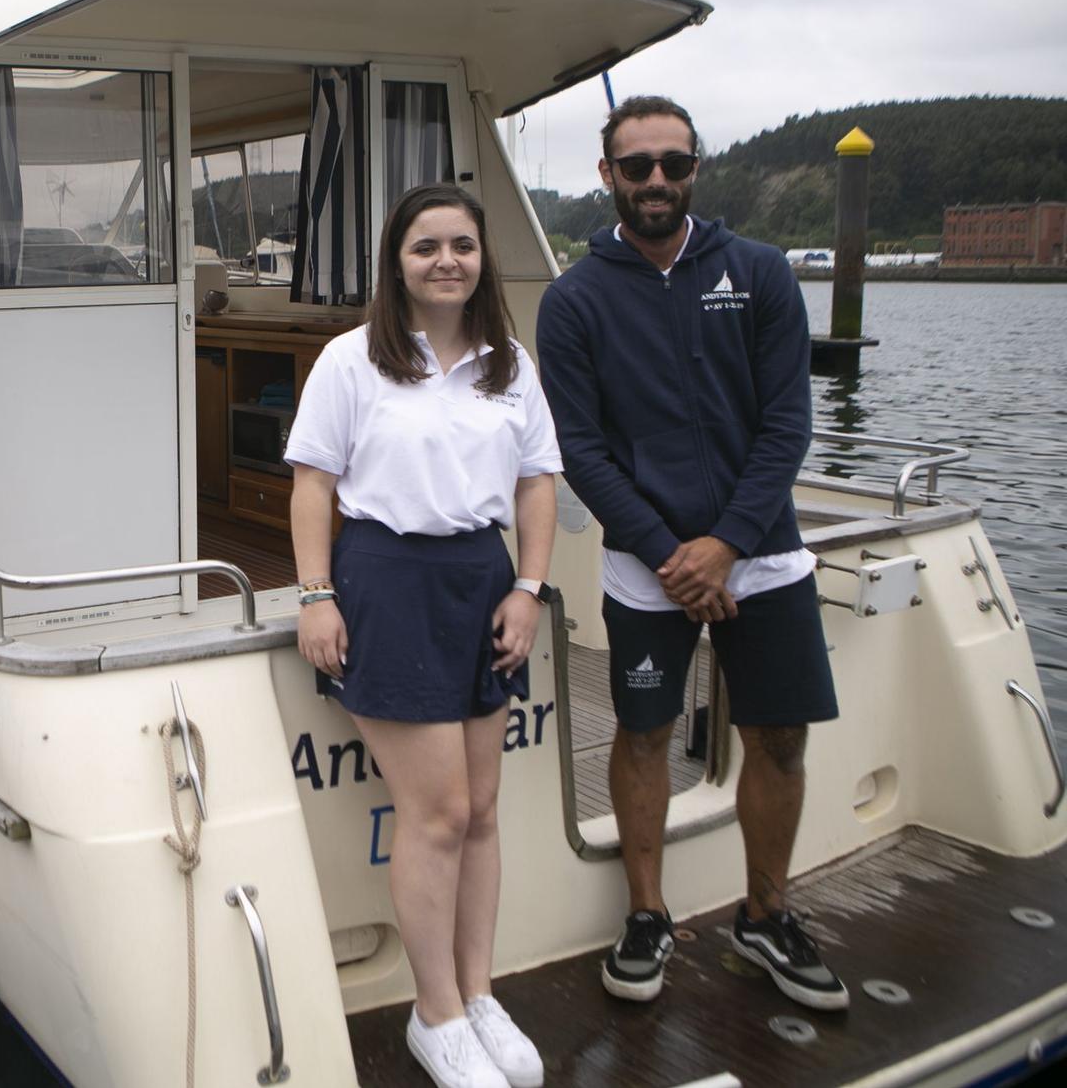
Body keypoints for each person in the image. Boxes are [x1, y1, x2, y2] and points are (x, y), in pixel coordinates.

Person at [535, 96, 847, 1013]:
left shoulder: (759, 273)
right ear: (608, 178)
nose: (657, 181)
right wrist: (677, 554)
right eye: (638, 167)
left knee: (778, 738)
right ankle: (646, 914)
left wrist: (729, 543)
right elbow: (580, 448)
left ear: (695, 169)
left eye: (674, 163)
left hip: (763, 555)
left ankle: (767, 912)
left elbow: (788, 420)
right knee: (644, 734)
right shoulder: (576, 299)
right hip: (647, 567)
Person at [288, 183, 559, 1088]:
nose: (447, 260)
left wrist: (528, 586)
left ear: (482, 258)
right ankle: (434, 1013)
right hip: (388, 580)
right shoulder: (350, 362)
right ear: (395, 262)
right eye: (425, 246)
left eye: (462, 245)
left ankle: (478, 996)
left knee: (482, 810)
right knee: (437, 812)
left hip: (480, 579)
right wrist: (317, 594)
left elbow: (536, 485)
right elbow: (314, 486)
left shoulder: (508, 364)